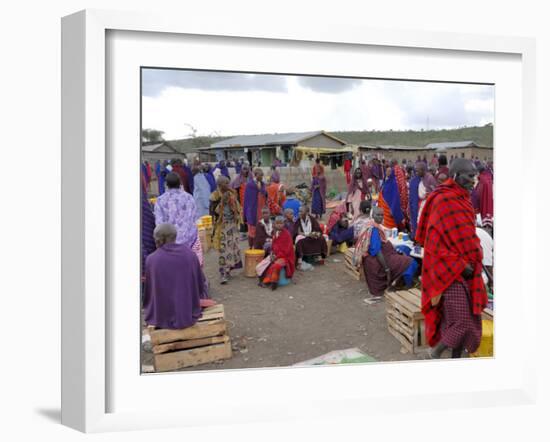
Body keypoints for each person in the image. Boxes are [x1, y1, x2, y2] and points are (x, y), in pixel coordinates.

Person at [416, 158, 488, 359]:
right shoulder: (443, 199)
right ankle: (434, 353)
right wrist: (458, 264)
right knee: (461, 322)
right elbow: (433, 245)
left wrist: (473, 258)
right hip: (448, 272)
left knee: (462, 319)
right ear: (455, 175)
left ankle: (455, 359)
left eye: (475, 176)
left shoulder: (464, 199)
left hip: (468, 268)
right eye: (469, 176)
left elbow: (466, 234)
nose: (473, 181)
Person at [143, 224, 208, 329]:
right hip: (187, 313)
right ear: (175, 236)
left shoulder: (151, 260)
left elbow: (150, 293)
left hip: (162, 316)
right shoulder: (189, 253)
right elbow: (200, 285)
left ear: (158, 239)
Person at [353, 207, 418, 299]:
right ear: (373, 215)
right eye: (378, 215)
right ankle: (408, 286)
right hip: (380, 260)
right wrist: (386, 268)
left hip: (383, 255)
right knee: (411, 262)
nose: (380, 217)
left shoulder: (372, 225)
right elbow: (377, 251)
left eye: (382, 215)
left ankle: (398, 281)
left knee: (404, 249)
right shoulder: (374, 229)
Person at [154, 172, 203, 265]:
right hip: (189, 242)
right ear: (180, 183)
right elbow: (194, 217)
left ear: (166, 184)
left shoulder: (160, 200)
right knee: (190, 270)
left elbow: (159, 223)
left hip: (168, 244)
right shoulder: (189, 198)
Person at [209, 176, 243, 284]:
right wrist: (222, 202)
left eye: (228, 183)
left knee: (232, 248)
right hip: (222, 227)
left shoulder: (231, 194)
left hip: (232, 226)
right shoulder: (215, 196)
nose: (228, 185)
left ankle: (228, 270)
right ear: (219, 185)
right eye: (226, 183)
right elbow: (214, 212)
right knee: (223, 250)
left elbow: (238, 209)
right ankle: (223, 273)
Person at [258, 216, 296, 290]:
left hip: (286, 257)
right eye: (277, 223)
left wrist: (276, 256)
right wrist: (272, 254)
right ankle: (266, 280)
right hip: (276, 255)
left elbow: (287, 251)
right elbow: (273, 246)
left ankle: (270, 282)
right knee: (262, 265)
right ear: (274, 224)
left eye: (281, 223)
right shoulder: (275, 233)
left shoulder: (287, 235)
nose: (279, 225)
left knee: (276, 265)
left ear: (284, 224)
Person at [409, 161, 438, 241]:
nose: (416, 172)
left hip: (427, 205)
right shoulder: (421, 178)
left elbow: (435, 192)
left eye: (418, 170)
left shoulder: (430, 178)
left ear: (423, 170)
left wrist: (429, 196)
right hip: (421, 204)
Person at [243, 168, 268, 248]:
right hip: (252, 210)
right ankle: (251, 247)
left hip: (261, 209)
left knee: (261, 228)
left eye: (262, 175)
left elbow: (265, 194)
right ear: (256, 175)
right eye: (260, 175)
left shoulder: (263, 184)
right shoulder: (250, 185)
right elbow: (248, 199)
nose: (262, 177)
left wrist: (261, 189)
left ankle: (259, 246)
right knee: (252, 229)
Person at [231, 163, 252, 236]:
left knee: (250, 215)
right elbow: (234, 189)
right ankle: (243, 232)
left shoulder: (251, 177)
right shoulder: (238, 179)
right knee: (242, 216)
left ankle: (250, 231)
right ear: (241, 170)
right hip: (241, 200)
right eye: (244, 169)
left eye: (247, 169)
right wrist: (237, 201)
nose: (245, 171)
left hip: (250, 201)